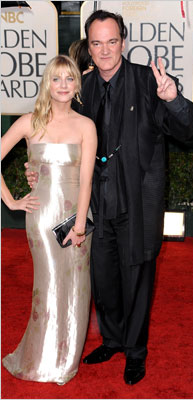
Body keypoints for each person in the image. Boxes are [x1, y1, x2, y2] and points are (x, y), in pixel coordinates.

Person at [27, 10, 193, 385]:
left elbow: (188, 131)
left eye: (112, 41)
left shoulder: (148, 82)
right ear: (88, 47)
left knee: (137, 277)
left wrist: (173, 99)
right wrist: (37, 168)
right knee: (102, 278)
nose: (104, 50)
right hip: (94, 202)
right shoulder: (82, 88)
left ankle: (135, 352)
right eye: (96, 43)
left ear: (124, 41)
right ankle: (113, 339)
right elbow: (57, 133)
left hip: (137, 200)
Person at [1, 55, 97, 384]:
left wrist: (80, 225)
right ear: (47, 84)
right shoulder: (29, 122)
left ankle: (65, 361)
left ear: (77, 85)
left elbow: (86, 181)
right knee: (49, 284)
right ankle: (42, 359)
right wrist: (11, 201)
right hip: (41, 219)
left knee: (77, 288)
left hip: (77, 216)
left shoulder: (86, 126)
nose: (63, 85)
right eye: (56, 79)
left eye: (69, 79)